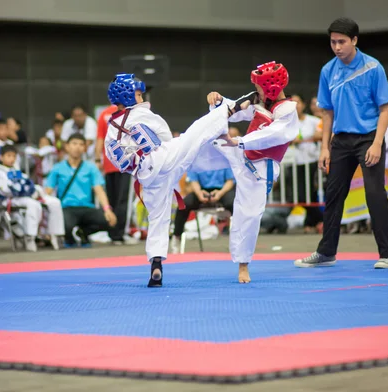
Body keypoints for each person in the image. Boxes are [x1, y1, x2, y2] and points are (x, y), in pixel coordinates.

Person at [104, 73, 246, 288]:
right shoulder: (142, 114)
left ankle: (156, 264)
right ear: (129, 97)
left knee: (158, 218)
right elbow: (165, 136)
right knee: (195, 133)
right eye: (139, 94)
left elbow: (118, 161)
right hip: (164, 158)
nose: (142, 98)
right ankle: (230, 109)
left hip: (146, 176)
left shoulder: (110, 132)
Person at [295, 18, 388, 269]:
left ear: (354, 41)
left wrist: (377, 143)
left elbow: (385, 108)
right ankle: (326, 252)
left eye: (342, 42)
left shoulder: (373, 68)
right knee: (333, 195)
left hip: (369, 139)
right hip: (340, 140)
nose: (337, 47)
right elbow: (327, 112)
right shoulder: (328, 71)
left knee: (374, 193)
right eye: (333, 42)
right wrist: (325, 147)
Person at [206, 61, 299, 283]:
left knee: (248, 214)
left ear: (271, 88)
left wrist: (239, 141)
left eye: (259, 86)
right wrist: (218, 101)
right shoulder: (259, 99)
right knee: (200, 148)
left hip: (261, 167)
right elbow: (234, 110)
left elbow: (270, 136)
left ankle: (243, 265)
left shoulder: (287, 111)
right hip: (241, 152)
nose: (256, 90)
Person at [46, 133, 117, 248]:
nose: (77, 147)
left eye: (81, 144)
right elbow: (47, 191)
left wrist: (107, 209)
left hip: (87, 208)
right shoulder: (57, 168)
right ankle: (69, 238)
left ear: (84, 148)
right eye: (74, 144)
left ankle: (84, 232)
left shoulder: (91, 167)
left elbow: (99, 190)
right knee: (64, 225)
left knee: (110, 220)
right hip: (66, 208)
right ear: (67, 146)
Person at [0, 145, 64, 251]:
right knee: (33, 204)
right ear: (1, 157)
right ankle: (30, 237)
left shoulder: (17, 170)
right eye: (8, 156)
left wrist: (33, 190)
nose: (11, 159)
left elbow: (29, 184)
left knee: (55, 202)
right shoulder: (0, 172)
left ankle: (56, 235)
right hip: (9, 200)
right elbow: (6, 190)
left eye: (13, 156)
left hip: (25, 197)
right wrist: (22, 189)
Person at [95, 104, 137, 245]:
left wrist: (97, 159)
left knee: (112, 199)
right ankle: (119, 234)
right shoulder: (129, 112)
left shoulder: (104, 114)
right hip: (125, 162)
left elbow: (100, 139)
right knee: (123, 200)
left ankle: (112, 233)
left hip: (109, 163)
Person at [171, 166, 235, 253]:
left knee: (235, 204)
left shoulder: (224, 157)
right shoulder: (196, 158)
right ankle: (177, 236)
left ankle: (238, 239)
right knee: (183, 205)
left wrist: (220, 193)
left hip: (222, 190)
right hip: (201, 191)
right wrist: (199, 193)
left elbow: (230, 181)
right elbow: (194, 181)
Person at [290, 94, 323, 233]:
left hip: (312, 160)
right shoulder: (288, 122)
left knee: (311, 193)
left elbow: (321, 133)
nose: (296, 105)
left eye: (298, 102)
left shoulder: (313, 120)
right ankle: (319, 220)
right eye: (292, 103)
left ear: (303, 105)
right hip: (295, 161)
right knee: (300, 195)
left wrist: (306, 138)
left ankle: (311, 222)